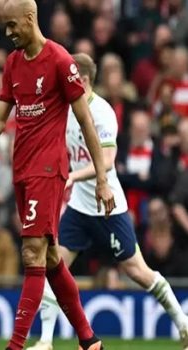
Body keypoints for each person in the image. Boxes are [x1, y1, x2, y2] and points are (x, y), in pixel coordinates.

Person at [0, 1, 115, 350]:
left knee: (32, 254)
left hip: (48, 168)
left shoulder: (60, 60)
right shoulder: (13, 63)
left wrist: (102, 178)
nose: (8, 33)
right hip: (22, 170)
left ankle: (15, 345)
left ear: (31, 19)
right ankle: (89, 340)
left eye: (13, 25)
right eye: (5, 26)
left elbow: (86, 120)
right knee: (52, 258)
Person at [27, 54, 188, 350]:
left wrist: (72, 177)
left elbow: (109, 162)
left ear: (83, 79)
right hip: (78, 209)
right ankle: (46, 341)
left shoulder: (101, 112)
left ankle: (184, 324)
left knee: (139, 272)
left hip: (108, 208)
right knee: (52, 266)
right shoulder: (65, 109)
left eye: (68, 77)